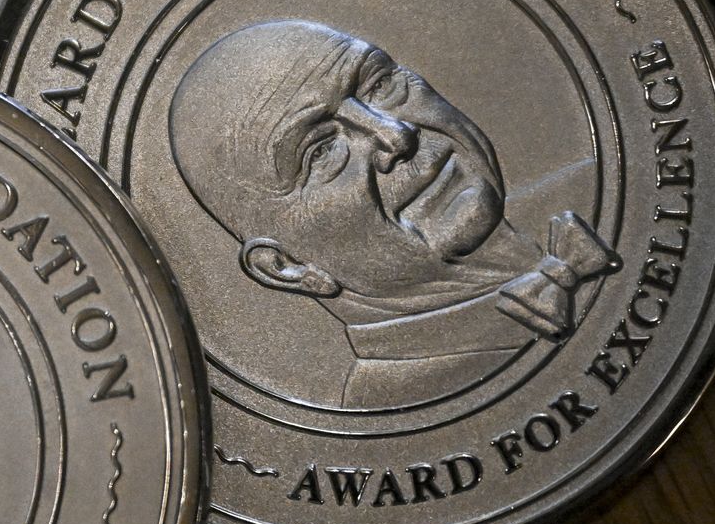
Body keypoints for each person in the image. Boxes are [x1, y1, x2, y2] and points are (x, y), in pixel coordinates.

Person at [170, 20, 618, 409]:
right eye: (322, 151)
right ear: (289, 267)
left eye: (380, 85)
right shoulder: (393, 413)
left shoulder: (608, 179)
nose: (397, 135)